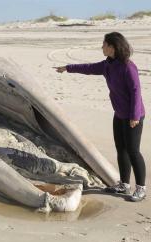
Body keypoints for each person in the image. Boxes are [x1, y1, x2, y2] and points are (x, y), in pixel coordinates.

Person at [54, 32, 146, 202]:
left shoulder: (128, 66)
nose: (102, 47)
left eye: (104, 44)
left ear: (112, 47)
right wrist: (68, 68)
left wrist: (134, 116)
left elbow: (136, 92)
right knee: (121, 149)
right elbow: (88, 68)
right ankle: (124, 185)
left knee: (133, 151)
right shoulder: (107, 65)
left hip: (134, 115)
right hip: (119, 114)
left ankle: (141, 188)